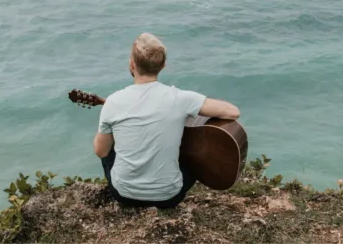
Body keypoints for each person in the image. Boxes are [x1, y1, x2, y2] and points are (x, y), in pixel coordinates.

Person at [93, 32, 241, 208]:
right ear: (163, 66)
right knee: (191, 159)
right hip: (169, 197)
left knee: (106, 143)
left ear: (132, 65)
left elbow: (101, 152)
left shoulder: (113, 101)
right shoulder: (181, 98)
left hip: (124, 195)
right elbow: (233, 112)